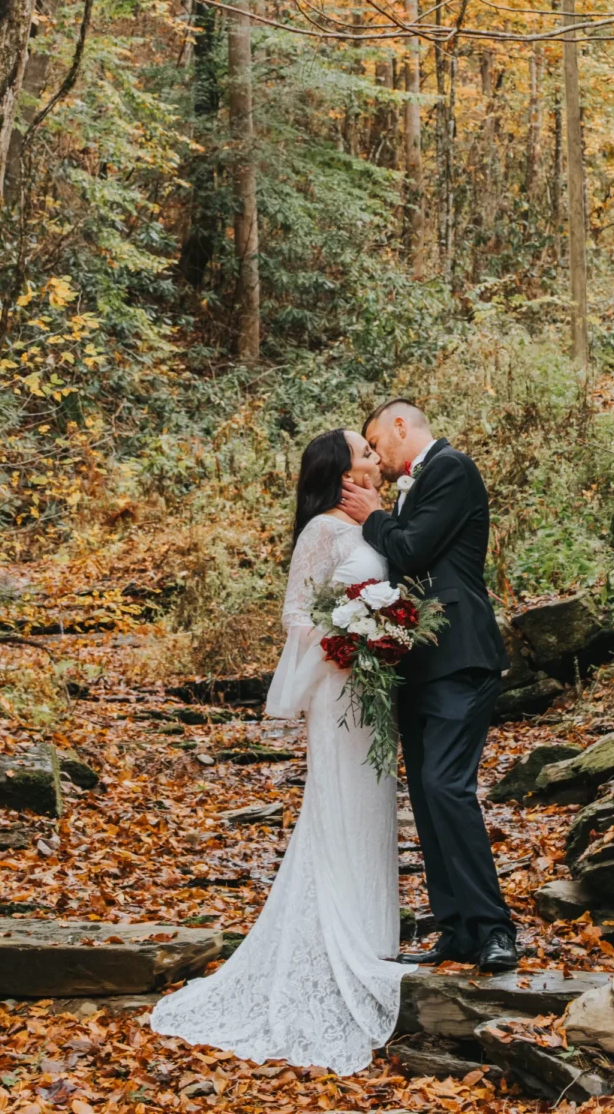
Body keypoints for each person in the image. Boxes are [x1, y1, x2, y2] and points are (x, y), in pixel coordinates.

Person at [151, 428, 414, 1074]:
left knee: (373, 810)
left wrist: (388, 631)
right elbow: (298, 614)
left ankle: (374, 941)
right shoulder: (322, 531)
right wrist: (347, 641)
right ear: (341, 471)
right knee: (337, 809)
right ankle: (328, 949)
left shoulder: (377, 524)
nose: (376, 457)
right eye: (365, 452)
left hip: (373, 697)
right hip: (338, 691)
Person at [340, 399, 517, 973]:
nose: (378, 458)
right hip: (415, 663)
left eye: (377, 443)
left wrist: (372, 514)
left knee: (446, 786)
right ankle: (456, 928)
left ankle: (494, 929)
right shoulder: (409, 492)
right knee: (425, 794)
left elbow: (413, 549)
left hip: (460, 655)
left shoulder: (452, 469)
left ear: (400, 426)